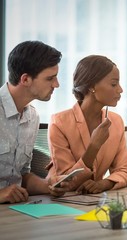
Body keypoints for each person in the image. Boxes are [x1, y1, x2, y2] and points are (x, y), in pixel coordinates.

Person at [46, 55, 127, 194]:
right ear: (92, 86)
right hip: (59, 200)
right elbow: (67, 181)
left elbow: (123, 170)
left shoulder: (116, 122)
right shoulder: (59, 122)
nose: (120, 90)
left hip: (91, 200)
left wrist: (104, 184)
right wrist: (94, 146)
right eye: (114, 84)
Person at [0, 40, 67, 203]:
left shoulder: (32, 117)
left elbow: (22, 175)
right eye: (50, 78)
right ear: (25, 79)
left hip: (15, 211)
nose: (56, 84)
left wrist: (48, 185)